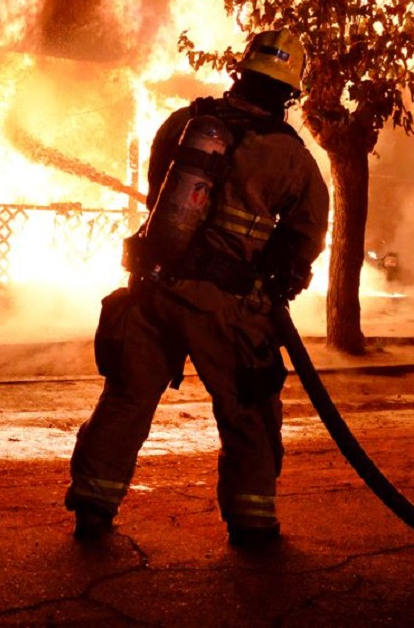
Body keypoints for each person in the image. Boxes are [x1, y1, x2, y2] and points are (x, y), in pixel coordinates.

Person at [65, 29, 330, 548]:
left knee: (126, 398)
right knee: (249, 410)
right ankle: (252, 524)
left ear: (241, 73)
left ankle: (93, 506)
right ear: (288, 94)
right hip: (223, 307)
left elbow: (155, 193)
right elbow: (305, 236)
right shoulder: (292, 158)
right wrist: (280, 284)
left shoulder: (183, 124)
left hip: (151, 289)